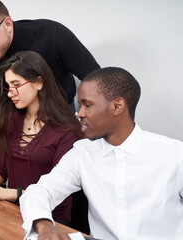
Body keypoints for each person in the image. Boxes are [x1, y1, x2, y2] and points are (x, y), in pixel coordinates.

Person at [0, 0, 100, 184]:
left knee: (58, 178)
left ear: (8, 24)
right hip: (16, 120)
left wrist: (87, 121)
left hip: (62, 116)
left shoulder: (52, 34)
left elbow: (96, 80)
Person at [20, 67, 183, 240]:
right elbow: (40, 191)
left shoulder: (174, 154)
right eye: (79, 105)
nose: (79, 114)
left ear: (117, 106)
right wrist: (45, 226)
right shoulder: (82, 153)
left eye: (87, 105)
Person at [0, 51, 82, 227]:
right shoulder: (12, 120)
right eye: (8, 86)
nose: (10, 93)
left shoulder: (66, 130)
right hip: (11, 210)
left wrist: (5, 193)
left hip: (49, 219)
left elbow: (56, 192)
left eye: (16, 84)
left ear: (39, 83)